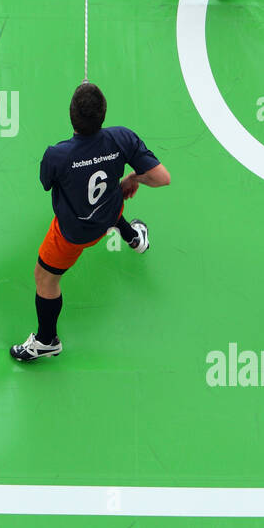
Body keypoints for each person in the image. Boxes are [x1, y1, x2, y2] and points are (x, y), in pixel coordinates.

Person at [11, 82, 171, 361]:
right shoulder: (122, 138)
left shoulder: (57, 155)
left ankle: (47, 341)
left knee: (44, 278)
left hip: (74, 233)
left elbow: (46, 183)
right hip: (109, 210)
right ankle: (134, 237)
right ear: (104, 114)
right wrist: (133, 178)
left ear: (71, 115)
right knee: (110, 198)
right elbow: (161, 178)